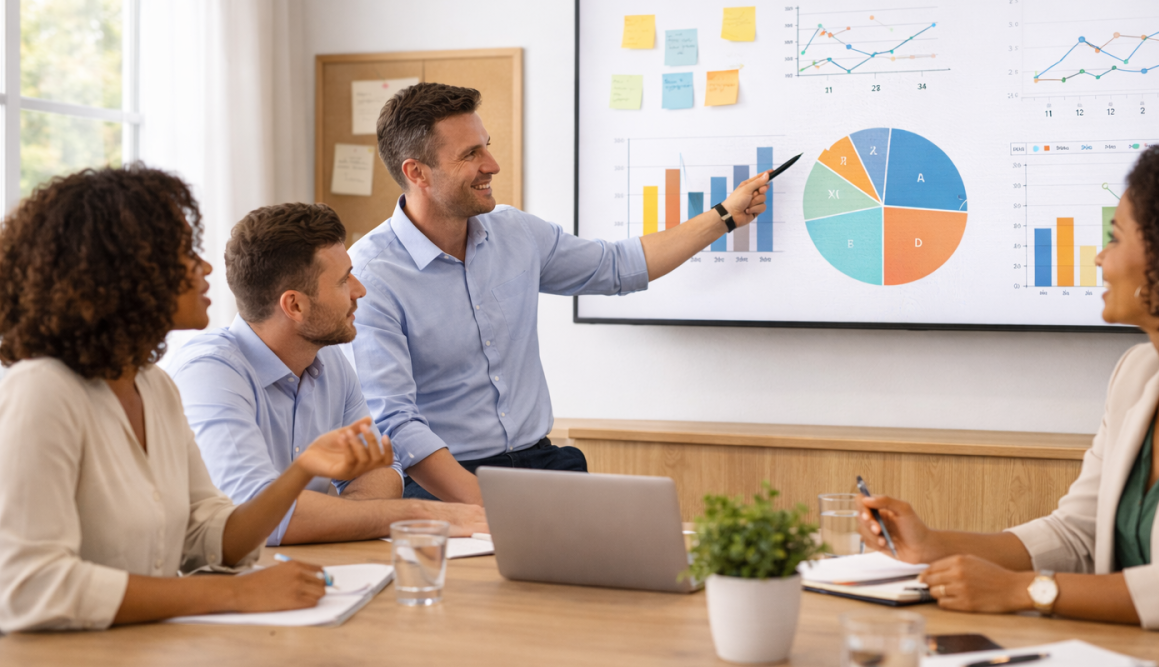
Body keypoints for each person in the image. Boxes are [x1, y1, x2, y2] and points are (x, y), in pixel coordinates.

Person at [856, 142, 1159, 667]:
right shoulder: (1139, 374)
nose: (1100, 262)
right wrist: (936, 544)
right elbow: (1077, 535)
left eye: (1114, 238)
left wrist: (1023, 592)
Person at [0, 166, 393, 631]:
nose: (205, 268)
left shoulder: (154, 387)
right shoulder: (43, 389)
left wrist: (303, 469)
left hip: (146, 664)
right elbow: (29, 585)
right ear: (122, 274)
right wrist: (232, 594)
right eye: (184, 254)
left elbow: (211, 538)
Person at [348, 82, 770, 503]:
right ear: (416, 172)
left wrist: (725, 217)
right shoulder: (371, 277)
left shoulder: (515, 232)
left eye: (486, 146)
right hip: (443, 483)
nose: (492, 165)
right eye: (470, 154)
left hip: (540, 465)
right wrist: (491, 508)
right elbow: (396, 423)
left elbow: (617, 266)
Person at [167, 203, 487, 546]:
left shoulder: (328, 361)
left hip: (311, 566)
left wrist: (342, 519)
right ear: (295, 306)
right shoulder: (209, 373)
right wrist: (421, 514)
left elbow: (382, 470)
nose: (359, 289)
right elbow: (258, 516)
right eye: (342, 280)